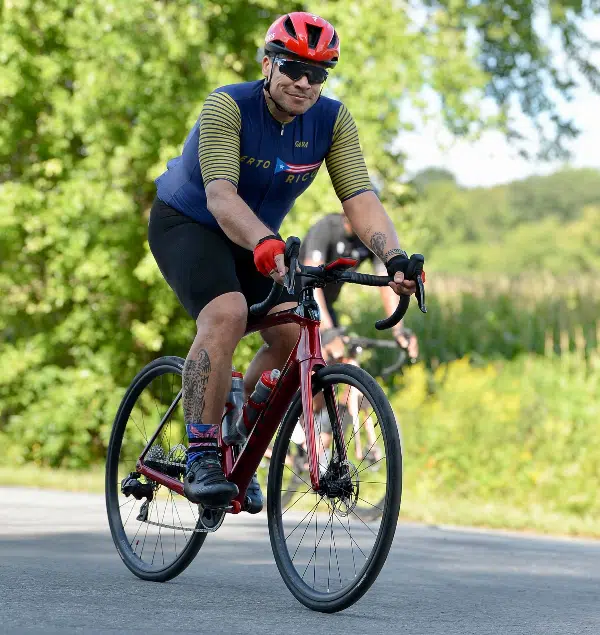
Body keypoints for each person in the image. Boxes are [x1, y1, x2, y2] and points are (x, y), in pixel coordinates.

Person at [147, 12, 418, 513]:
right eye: (293, 68)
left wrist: (394, 256)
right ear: (268, 64)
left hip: (259, 238)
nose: (303, 82)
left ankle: (241, 441)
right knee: (225, 313)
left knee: (294, 335)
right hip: (190, 224)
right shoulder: (228, 106)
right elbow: (222, 197)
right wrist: (266, 244)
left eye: (317, 74)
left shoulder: (332, 121)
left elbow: (359, 197)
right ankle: (203, 451)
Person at [300, 211, 419, 361]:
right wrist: (328, 331)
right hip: (297, 299)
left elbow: (387, 283)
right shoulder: (327, 228)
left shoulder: (368, 238)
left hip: (325, 306)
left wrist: (398, 329)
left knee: (350, 364)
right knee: (318, 358)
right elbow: (310, 280)